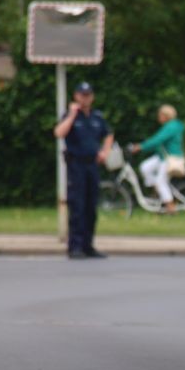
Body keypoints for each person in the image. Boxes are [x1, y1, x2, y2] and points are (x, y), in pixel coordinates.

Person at [53, 81, 114, 259]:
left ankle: (88, 245)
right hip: (76, 165)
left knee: (90, 206)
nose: (85, 99)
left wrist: (105, 151)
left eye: (88, 95)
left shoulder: (97, 116)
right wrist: (72, 115)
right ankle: (75, 246)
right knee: (77, 205)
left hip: (92, 164)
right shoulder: (71, 116)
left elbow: (108, 134)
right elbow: (59, 133)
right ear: (76, 96)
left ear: (92, 97)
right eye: (82, 95)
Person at [131, 105, 185, 214]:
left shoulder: (171, 127)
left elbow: (158, 140)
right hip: (162, 156)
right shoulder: (169, 126)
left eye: (160, 115)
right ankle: (159, 191)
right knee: (145, 167)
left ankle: (171, 207)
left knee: (161, 181)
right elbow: (157, 141)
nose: (158, 117)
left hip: (170, 158)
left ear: (166, 116)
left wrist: (141, 147)